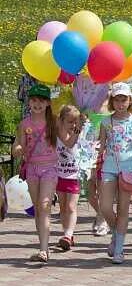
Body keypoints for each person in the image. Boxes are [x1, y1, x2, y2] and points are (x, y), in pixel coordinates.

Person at [98, 82, 132, 265]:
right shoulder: (106, 122)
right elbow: (100, 146)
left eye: (123, 100)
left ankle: (119, 247)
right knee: (105, 206)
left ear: (129, 101)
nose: (120, 103)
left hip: (129, 167)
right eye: (117, 100)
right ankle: (115, 231)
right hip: (109, 166)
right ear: (112, 101)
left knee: (124, 209)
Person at [12, 84, 58, 263]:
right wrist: (16, 148)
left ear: (47, 103)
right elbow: (18, 144)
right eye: (34, 100)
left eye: (41, 101)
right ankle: (43, 244)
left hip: (50, 167)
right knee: (38, 208)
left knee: (45, 205)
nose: (37, 104)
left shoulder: (53, 121)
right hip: (31, 168)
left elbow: (68, 141)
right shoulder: (25, 123)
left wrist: (77, 129)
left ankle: (43, 250)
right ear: (29, 102)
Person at [54, 105, 84, 252]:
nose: (73, 125)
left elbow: (70, 143)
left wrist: (79, 130)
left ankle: (68, 234)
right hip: (59, 174)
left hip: (74, 175)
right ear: (61, 121)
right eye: (69, 122)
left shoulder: (78, 133)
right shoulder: (56, 133)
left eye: (75, 122)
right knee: (63, 207)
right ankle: (67, 234)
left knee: (71, 207)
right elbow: (65, 142)